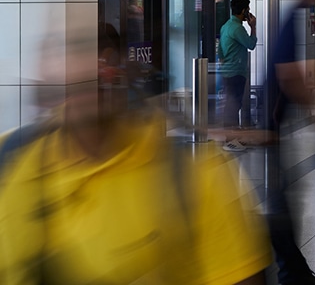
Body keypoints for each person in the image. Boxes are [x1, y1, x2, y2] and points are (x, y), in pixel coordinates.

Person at [0, 26, 273, 284]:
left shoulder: (197, 176)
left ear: (124, 72)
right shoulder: (10, 158)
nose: (84, 75)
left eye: (102, 63)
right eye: (65, 56)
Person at [265, 0, 315, 285]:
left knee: (283, 201)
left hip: (274, 125)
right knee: (278, 204)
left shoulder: (294, 16)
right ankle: (289, 274)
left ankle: (294, 271)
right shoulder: (292, 15)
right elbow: (287, 73)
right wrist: (314, 108)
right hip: (268, 126)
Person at [219, 0, 258, 152]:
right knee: (234, 106)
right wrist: (253, 27)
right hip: (236, 72)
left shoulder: (225, 27)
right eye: (247, 10)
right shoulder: (237, 28)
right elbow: (251, 44)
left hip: (227, 71)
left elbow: (220, 52)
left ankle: (232, 138)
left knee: (232, 104)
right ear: (243, 11)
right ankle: (231, 140)